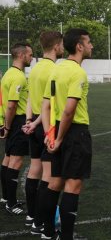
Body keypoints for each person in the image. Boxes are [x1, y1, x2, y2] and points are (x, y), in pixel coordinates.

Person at [41, 28, 93, 239]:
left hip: (55, 128)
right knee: (73, 185)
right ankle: (67, 236)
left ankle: (47, 233)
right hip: (74, 133)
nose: (92, 46)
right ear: (79, 46)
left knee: (54, 183)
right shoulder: (78, 72)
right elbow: (69, 110)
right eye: (89, 42)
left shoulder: (56, 69)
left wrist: (49, 134)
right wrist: (60, 138)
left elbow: (46, 106)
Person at [21, 31, 64, 231]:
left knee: (34, 170)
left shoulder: (35, 69)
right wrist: (38, 123)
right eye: (62, 44)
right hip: (46, 126)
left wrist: (29, 120)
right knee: (48, 177)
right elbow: (47, 105)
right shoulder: (52, 70)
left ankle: (31, 215)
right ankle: (41, 222)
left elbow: (30, 99)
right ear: (56, 46)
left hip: (35, 125)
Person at [0, 43, 33, 215]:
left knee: (7, 159)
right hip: (17, 121)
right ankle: (11, 203)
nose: (31, 58)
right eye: (29, 54)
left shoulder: (8, 74)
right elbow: (12, 105)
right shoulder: (18, 77)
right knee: (16, 161)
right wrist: (8, 126)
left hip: (11, 122)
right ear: (21, 55)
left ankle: (6, 197)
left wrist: (5, 125)